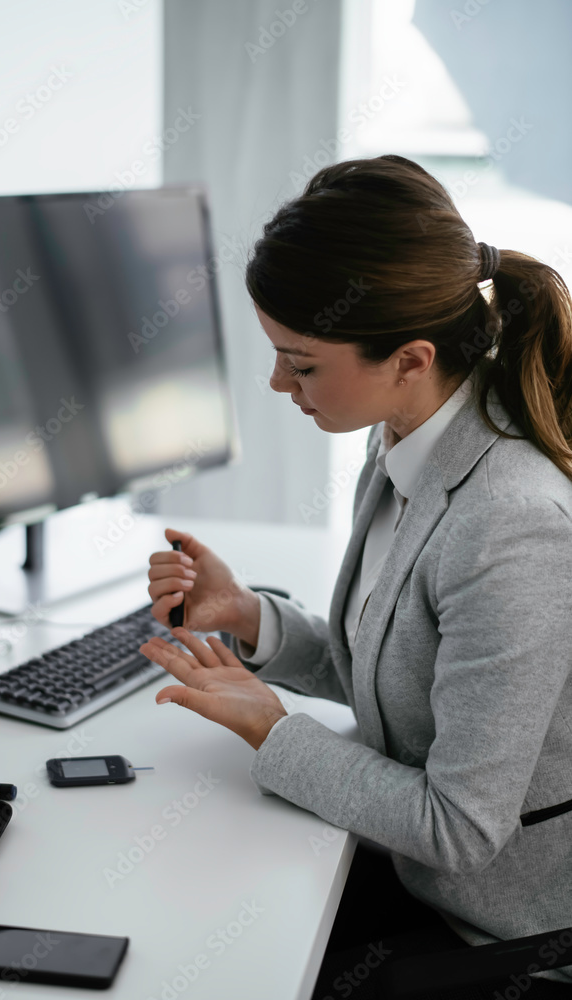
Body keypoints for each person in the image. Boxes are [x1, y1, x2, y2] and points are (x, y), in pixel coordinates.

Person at [138, 155, 572, 998]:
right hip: (413, 879)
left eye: (300, 364)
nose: (276, 383)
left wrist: (273, 731)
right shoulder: (410, 441)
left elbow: (457, 828)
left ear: (409, 358)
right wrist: (251, 617)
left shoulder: (512, 525)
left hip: (494, 928)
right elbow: (400, 682)